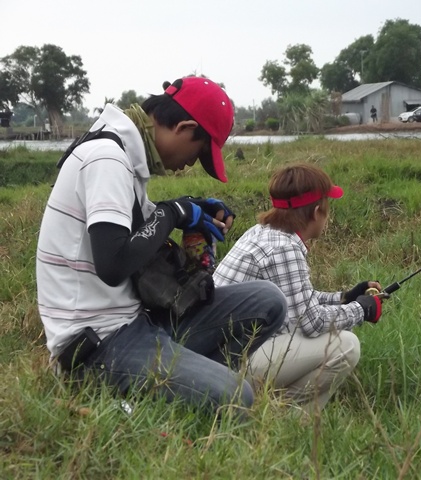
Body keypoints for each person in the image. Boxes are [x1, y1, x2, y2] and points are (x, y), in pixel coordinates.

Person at [36, 76, 286, 414]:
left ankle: (182, 384)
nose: (190, 165)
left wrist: (190, 208)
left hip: (136, 323)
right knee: (236, 397)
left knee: (268, 302)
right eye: (198, 153)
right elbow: (113, 264)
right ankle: (151, 397)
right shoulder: (106, 159)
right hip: (100, 345)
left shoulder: (123, 156)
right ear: (184, 127)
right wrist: (174, 212)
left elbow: (140, 227)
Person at [213, 163, 386, 410]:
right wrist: (362, 310)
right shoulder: (284, 248)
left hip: (222, 353)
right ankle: (285, 417)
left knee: (322, 336)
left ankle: (268, 410)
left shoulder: (263, 232)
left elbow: (294, 300)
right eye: (327, 208)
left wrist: (344, 298)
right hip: (233, 365)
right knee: (346, 346)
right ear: (317, 212)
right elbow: (310, 322)